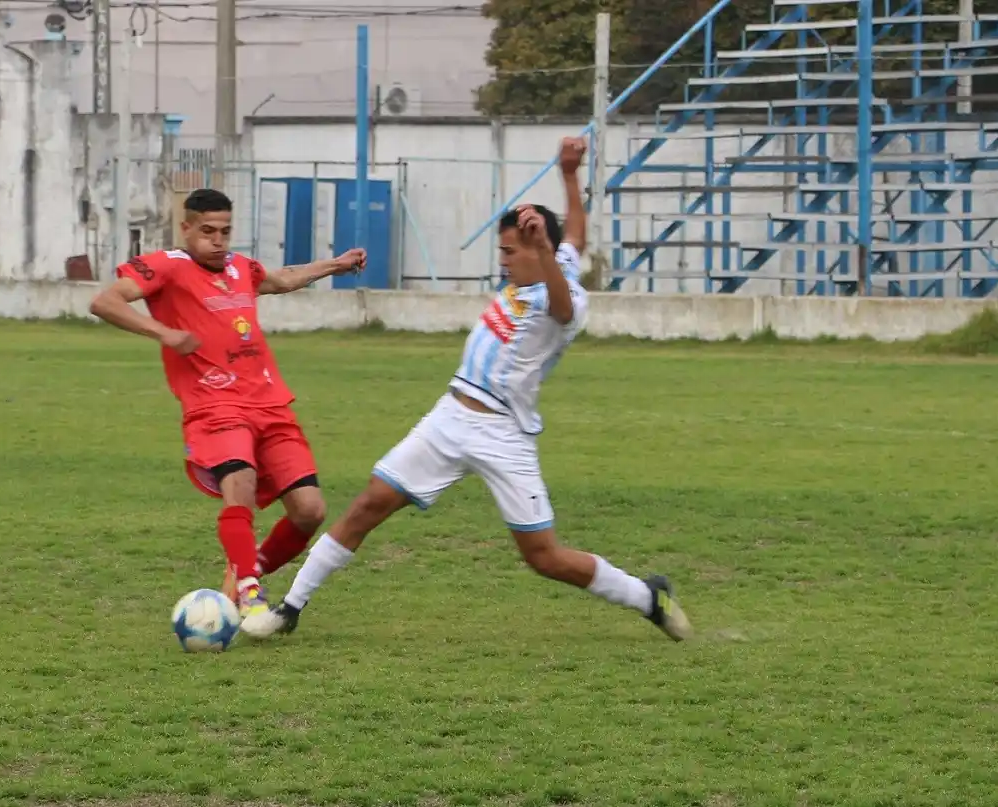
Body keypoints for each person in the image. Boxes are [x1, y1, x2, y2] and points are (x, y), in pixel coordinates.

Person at [249, 138, 693, 642]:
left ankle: (646, 596)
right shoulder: (555, 262)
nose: (503, 261)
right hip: (448, 417)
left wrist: (545, 248)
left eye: (509, 251)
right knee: (368, 504)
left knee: (543, 556)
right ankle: (290, 608)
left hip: (503, 433)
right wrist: (569, 173)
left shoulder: (563, 296)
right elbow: (576, 233)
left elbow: (563, 306)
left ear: (534, 250)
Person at [88, 188, 367, 637]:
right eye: (207, 232)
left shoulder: (241, 267)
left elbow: (283, 278)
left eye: (225, 231)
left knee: (309, 510)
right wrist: (162, 332)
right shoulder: (166, 265)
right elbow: (106, 301)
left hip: (270, 402)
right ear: (186, 228)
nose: (218, 241)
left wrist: (336, 264)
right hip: (213, 404)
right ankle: (252, 597)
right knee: (240, 484)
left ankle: (237, 581)